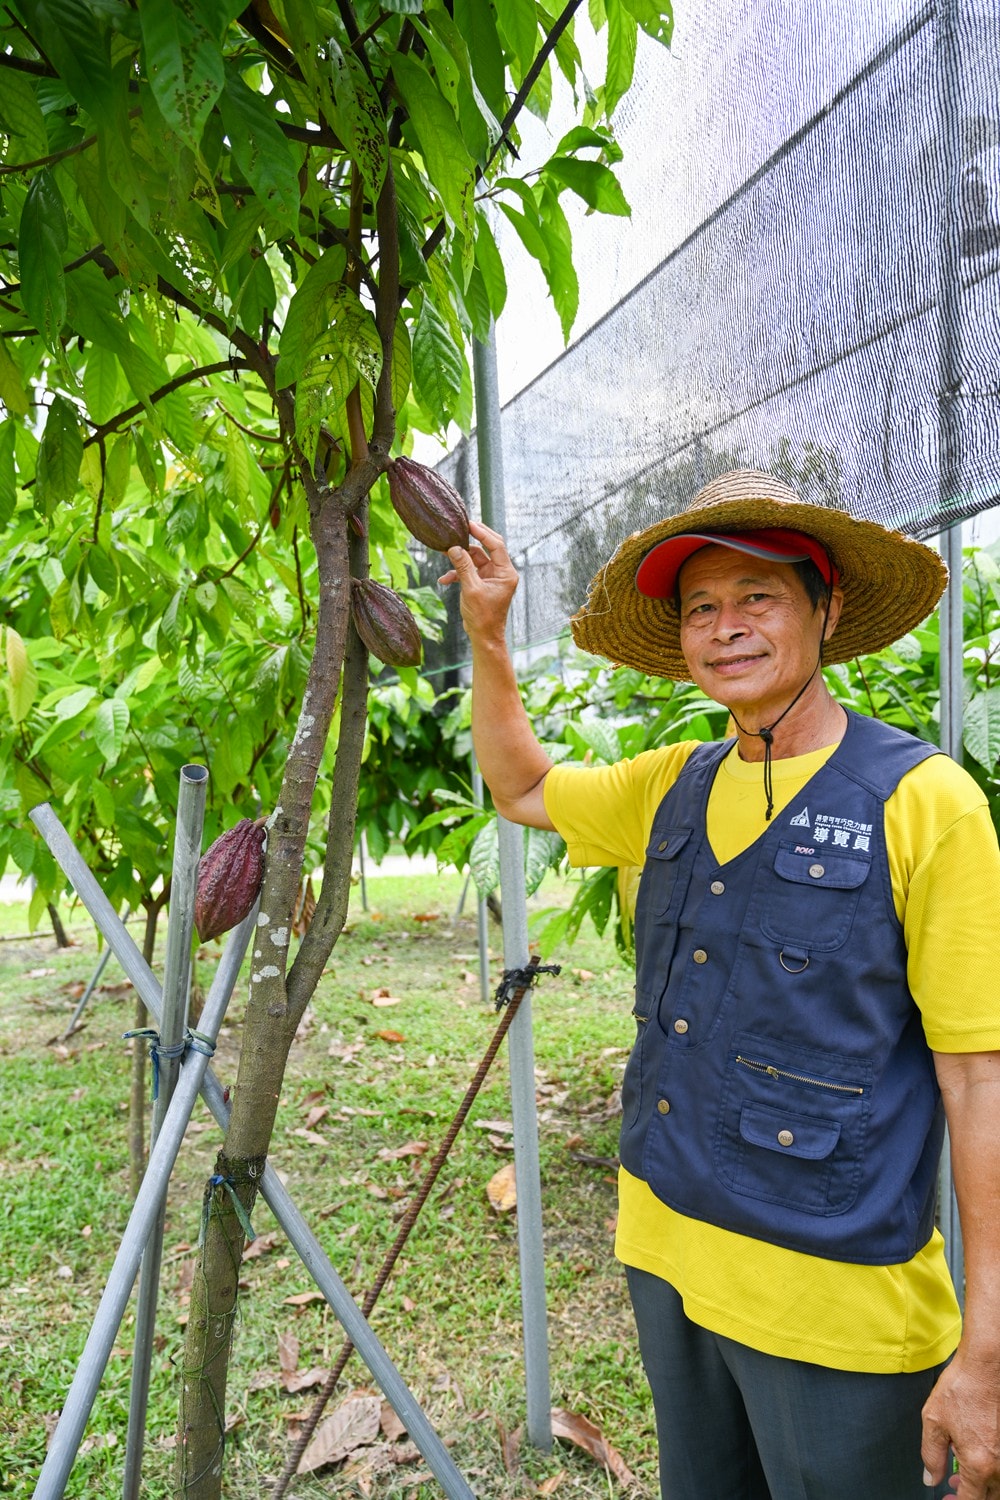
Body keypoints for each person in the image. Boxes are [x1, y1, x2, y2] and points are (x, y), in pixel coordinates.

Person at [441, 469, 1000, 1500]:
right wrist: (486, 633)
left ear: (825, 612)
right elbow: (519, 783)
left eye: (757, 598)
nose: (724, 625)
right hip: (667, 1252)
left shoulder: (927, 803)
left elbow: (977, 1081)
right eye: (701, 606)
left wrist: (990, 1350)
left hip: (838, 1303)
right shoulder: (670, 784)